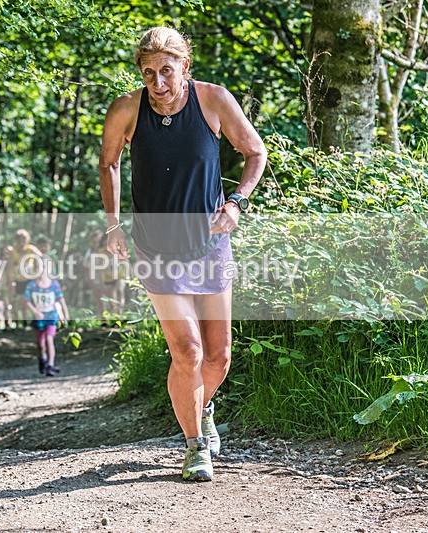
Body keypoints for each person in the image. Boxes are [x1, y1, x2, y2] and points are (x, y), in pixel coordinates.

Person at [99, 27, 266, 481]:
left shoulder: (212, 101)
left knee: (219, 356)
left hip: (210, 243)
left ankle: (201, 408)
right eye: (148, 73)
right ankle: (195, 446)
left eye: (166, 72)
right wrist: (113, 224)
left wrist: (237, 203)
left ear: (185, 68)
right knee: (188, 350)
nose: (157, 83)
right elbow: (109, 161)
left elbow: (255, 152)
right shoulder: (126, 110)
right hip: (155, 247)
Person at [24, 261, 69, 377]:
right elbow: (26, 301)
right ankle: (42, 360)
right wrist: (35, 312)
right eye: (39, 267)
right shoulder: (31, 285)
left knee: (49, 339)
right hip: (38, 318)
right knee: (40, 344)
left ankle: (50, 364)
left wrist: (65, 313)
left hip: (51, 316)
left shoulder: (54, 284)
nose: (42, 270)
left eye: (45, 267)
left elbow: (61, 299)